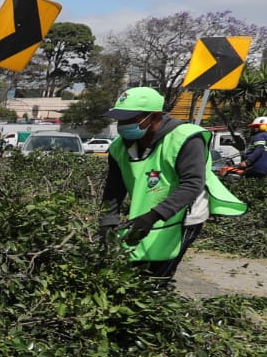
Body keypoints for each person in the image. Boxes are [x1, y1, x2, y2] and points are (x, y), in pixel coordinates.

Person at [100, 86, 246, 280]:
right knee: (134, 270)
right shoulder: (119, 148)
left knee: (158, 274)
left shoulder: (185, 138)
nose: (122, 125)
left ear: (153, 116)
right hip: (146, 215)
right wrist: (107, 222)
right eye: (120, 119)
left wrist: (152, 216)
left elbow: (192, 184)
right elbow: (113, 189)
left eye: (130, 119)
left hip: (183, 215)